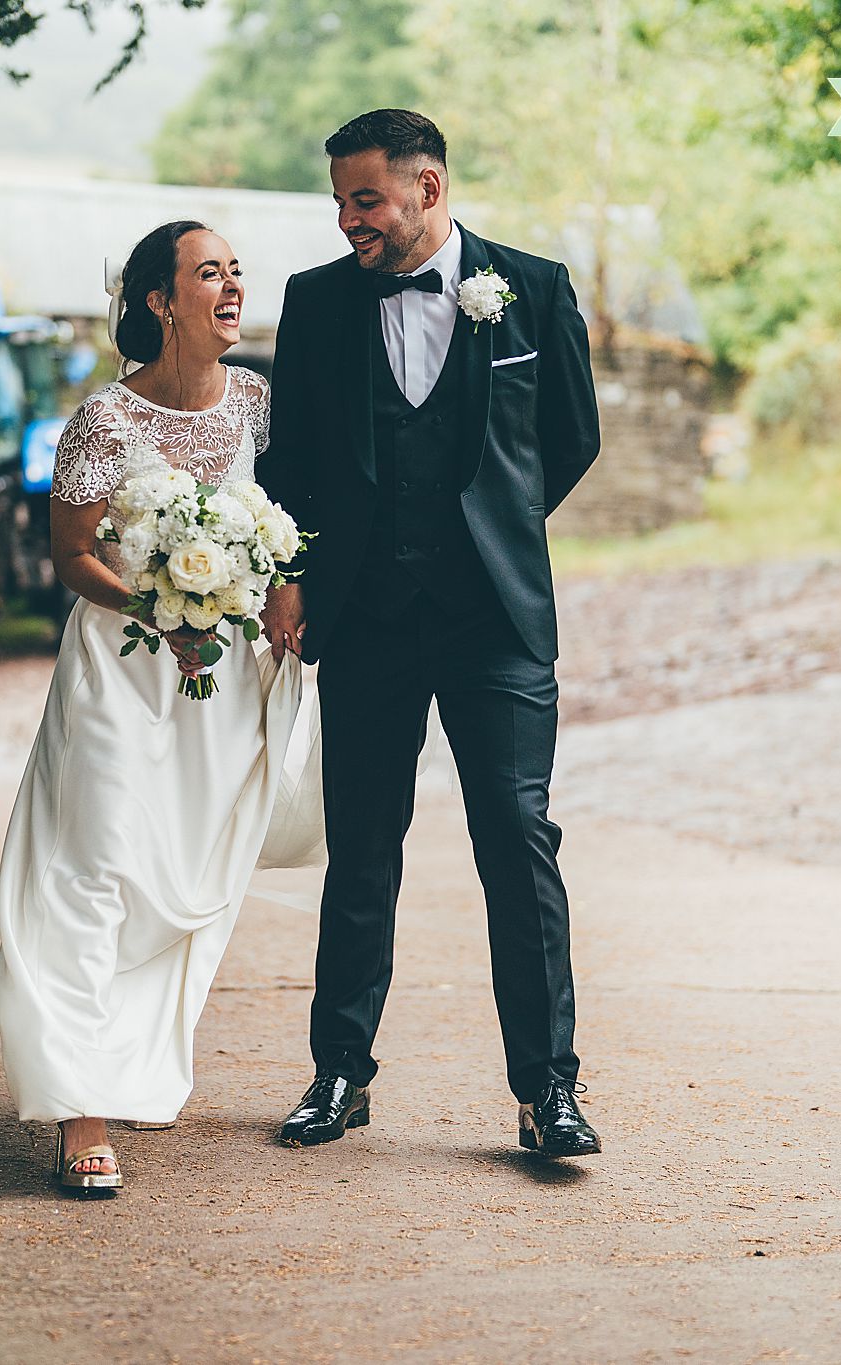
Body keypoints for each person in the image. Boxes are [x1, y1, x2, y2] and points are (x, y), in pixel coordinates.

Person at [258, 108, 606, 1158]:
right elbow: (290, 459)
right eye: (339, 202)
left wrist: (487, 528)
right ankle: (338, 1073)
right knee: (361, 846)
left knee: (515, 836)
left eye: (364, 200)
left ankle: (547, 1092)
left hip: (492, 617)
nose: (347, 220)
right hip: (363, 616)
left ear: (427, 190)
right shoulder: (314, 304)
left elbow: (569, 438)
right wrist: (301, 570)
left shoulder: (530, 289)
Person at [0, 220, 320, 1195]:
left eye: (235, 273)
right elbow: (71, 558)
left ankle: (124, 1058)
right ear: (158, 302)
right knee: (90, 866)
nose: (230, 288)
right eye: (207, 274)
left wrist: (283, 588)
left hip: (219, 685)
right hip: (119, 672)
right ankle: (78, 1111)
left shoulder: (262, 405)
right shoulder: (103, 422)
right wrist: (158, 602)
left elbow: (291, 523)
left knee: (176, 875)